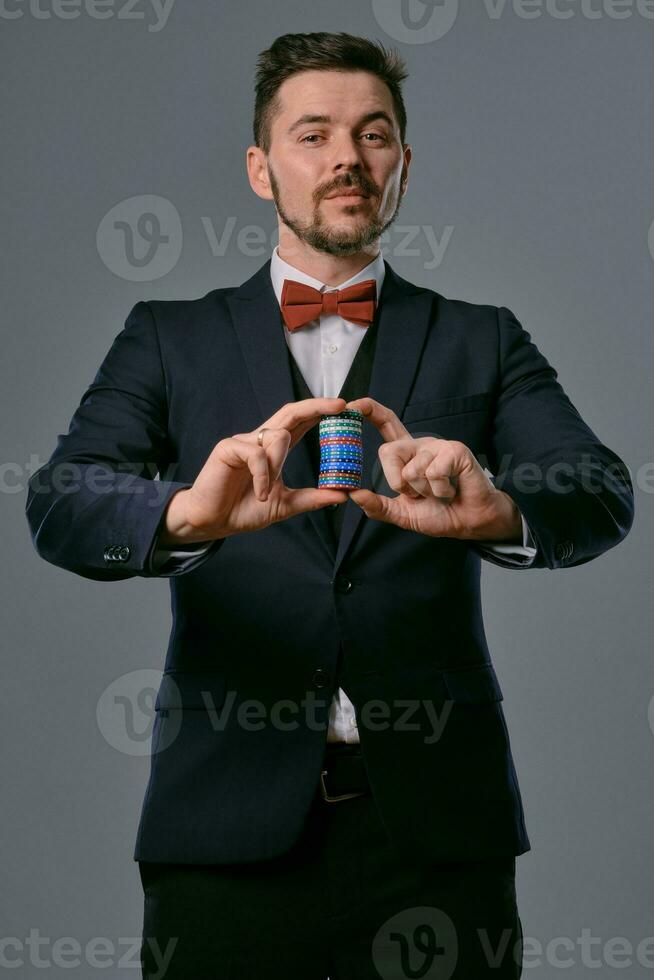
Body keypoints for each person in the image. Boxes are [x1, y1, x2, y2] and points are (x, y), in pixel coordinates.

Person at [25, 31, 634, 980]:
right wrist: (186, 517)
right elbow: (61, 501)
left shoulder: (484, 338)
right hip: (222, 835)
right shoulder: (168, 338)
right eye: (314, 135)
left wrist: (502, 514)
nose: (348, 157)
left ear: (402, 164)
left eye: (374, 134)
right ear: (262, 170)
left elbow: (598, 490)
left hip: (439, 842)